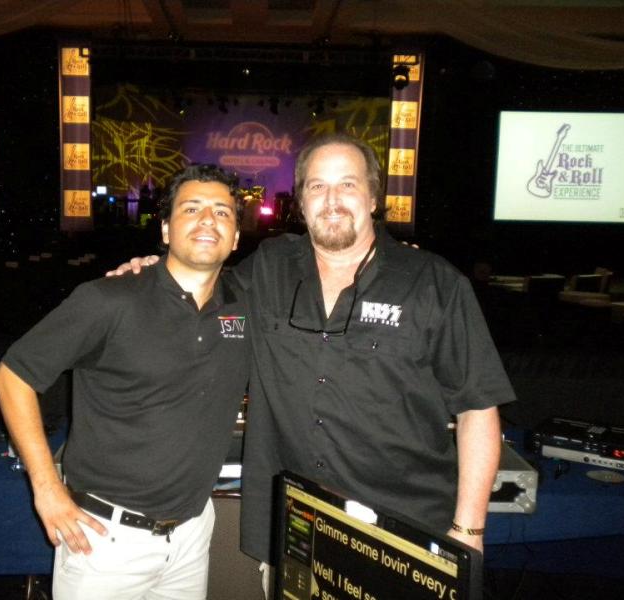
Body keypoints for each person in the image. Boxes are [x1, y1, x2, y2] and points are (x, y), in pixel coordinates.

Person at [110, 133, 515, 576]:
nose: (332, 200)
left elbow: (478, 407)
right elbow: (198, 292)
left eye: (347, 184)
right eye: (317, 186)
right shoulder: (269, 266)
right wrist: (151, 271)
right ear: (301, 203)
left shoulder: (433, 283)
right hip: (296, 531)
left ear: (373, 197)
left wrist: (469, 530)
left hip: (404, 534)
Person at [0, 163, 250, 600]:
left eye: (222, 212)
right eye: (192, 209)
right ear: (165, 229)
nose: (208, 220)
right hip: (104, 541)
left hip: (191, 535)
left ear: (237, 237)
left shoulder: (243, 307)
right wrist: (47, 488)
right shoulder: (109, 299)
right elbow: (12, 376)